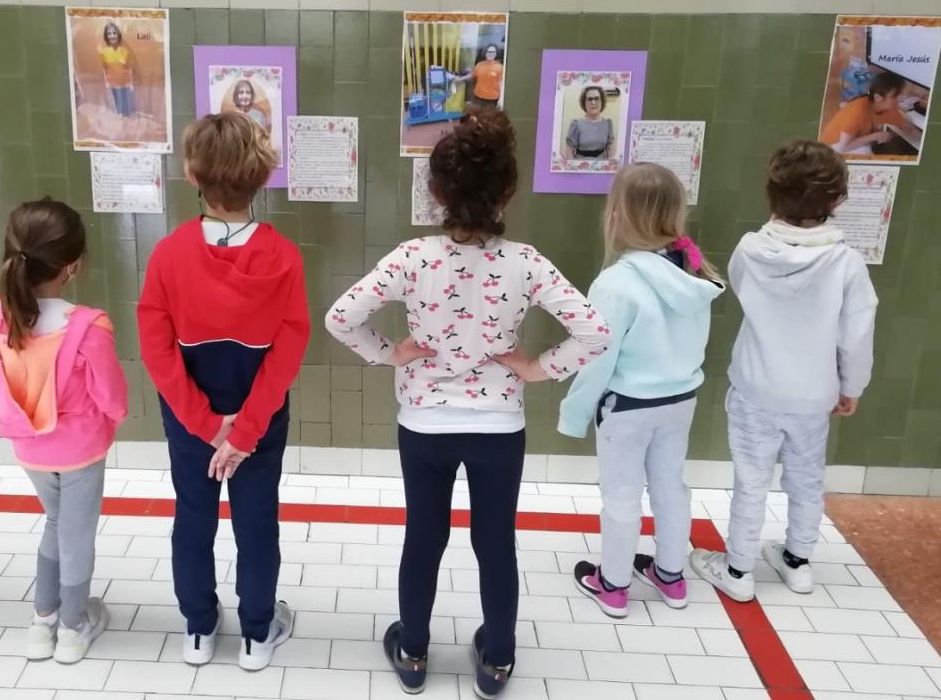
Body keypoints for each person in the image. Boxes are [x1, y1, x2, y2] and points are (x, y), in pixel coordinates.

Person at [326, 109, 611, 698]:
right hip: (499, 426)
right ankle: (497, 661)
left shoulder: (412, 258)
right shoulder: (525, 262)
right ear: (508, 192)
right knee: (494, 542)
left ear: (435, 192)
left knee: (422, 538)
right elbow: (595, 332)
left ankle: (412, 652)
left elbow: (339, 317)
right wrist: (537, 368)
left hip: (424, 425)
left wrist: (389, 353)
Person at [137, 112, 309, 671]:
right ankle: (257, 634)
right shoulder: (283, 257)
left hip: (191, 424)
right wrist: (245, 428)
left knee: (193, 518)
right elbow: (288, 349)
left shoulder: (168, 254)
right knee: (257, 523)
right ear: (262, 177)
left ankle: (198, 629)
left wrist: (209, 427)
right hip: (258, 422)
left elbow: (158, 352)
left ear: (191, 173)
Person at [690, 141, 877, 601]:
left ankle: (737, 571)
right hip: (815, 394)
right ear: (837, 200)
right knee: (807, 477)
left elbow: (741, 290)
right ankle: (798, 562)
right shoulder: (848, 264)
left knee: (750, 481)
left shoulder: (749, 251)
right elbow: (857, 334)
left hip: (755, 388)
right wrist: (851, 386)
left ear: (772, 194)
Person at [554, 164, 724, 618]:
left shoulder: (615, 283)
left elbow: (597, 359)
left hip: (627, 407)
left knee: (622, 496)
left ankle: (612, 584)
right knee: (672, 488)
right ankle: (671, 577)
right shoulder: (696, 274)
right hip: (680, 402)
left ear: (617, 216)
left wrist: (573, 414)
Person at [0, 199, 128, 664]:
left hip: (27, 447)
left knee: (57, 522)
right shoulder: (88, 326)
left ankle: (43, 620)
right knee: (77, 534)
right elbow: (113, 399)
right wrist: (110, 423)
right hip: (80, 450)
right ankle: (73, 626)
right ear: (72, 266)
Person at [819, 71, 913, 153]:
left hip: (854, 142)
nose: (902, 98)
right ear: (878, 97)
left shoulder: (890, 108)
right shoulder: (857, 111)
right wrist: (874, 136)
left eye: (901, 94)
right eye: (895, 96)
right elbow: (843, 147)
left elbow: (908, 128)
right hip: (832, 147)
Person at [564, 86, 615, 160]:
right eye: (589, 99)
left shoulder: (608, 124)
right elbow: (569, 153)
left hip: (601, 166)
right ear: (584, 103)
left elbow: (610, 150)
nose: (593, 102)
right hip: (581, 166)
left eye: (597, 98)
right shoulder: (576, 124)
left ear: (602, 101)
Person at [98, 22, 136, 117]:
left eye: (114, 33)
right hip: (112, 84)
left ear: (118, 34)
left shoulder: (125, 51)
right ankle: (119, 120)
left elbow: (129, 68)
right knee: (116, 107)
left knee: (126, 107)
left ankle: (125, 120)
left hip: (125, 84)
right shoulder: (103, 52)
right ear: (106, 36)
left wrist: (131, 83)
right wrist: (106, 82)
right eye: (109, 34)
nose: (112, 36)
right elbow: (104, 69)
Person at [459, 42, 504, 110]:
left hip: (492, 99)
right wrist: (458, 79)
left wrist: (501, 99)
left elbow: (501, 84)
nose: (491, 54)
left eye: (493, 52)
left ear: (496, 53)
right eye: (489, 52)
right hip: (478, 97)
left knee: (489, 118)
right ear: (485, 53)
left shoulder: (500, 67)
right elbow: (471, 75)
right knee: (477, 117)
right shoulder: (479, 65)